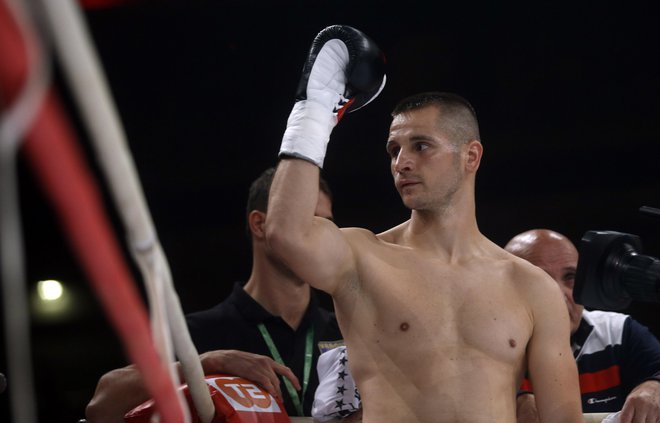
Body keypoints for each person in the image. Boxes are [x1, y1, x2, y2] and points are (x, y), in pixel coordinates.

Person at [264, 25, 583, 422]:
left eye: (421, 146)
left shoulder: (531, 287)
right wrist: (314, 112)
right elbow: (285, 233)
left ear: (471, 157)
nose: (402, 162)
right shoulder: (362, 258)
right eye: (394, 150)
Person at [85, 166, 342, 422]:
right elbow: (102, 406)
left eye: (326, 224)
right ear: (260, 224)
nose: (316, 237)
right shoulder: (195, 334)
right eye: (305, 220)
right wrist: (205, 365)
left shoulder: (347, 331)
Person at [504, 229, 660, 423]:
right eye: (540, 281)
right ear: (504, 289)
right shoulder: (480, 348)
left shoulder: (618, 332)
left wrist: (654, 387)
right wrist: (513, 398)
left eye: (570, 276)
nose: (558, 296)